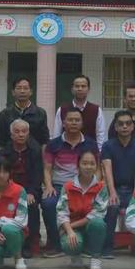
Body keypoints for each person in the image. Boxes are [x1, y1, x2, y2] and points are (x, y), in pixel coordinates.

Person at [42, 107, 98, 257]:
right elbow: (47, 169)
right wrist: (48, 186)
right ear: (64, 122)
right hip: (60, 186)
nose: (73, 123)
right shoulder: (53, 144)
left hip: (83, 186)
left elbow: (97, 168)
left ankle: (87, 244)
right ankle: (54, 244)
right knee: (48, 203)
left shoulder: (91, 144)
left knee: (95, 208)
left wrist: (96, 185)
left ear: (82, 123)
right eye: (70, 120)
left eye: (77, 120)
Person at [101, 110, 135, 258]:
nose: (124, 126)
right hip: (115, 188)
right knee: (112, 206)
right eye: (121, 124)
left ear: (133, 127)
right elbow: (107, 170)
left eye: (128, 123)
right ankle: (107, 247)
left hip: (133, 189)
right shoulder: (108, 146)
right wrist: (112, 192)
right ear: (116, 127)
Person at [57, 150, 108, 269]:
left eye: (92, 163)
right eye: (84, 163)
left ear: (97, 166)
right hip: (72, 228)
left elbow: (97, 213)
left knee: (98, 223)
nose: (88, 167)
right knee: (71, 244)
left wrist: (70, 226)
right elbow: (61, 212)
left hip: (89, 226)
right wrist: (69, 230)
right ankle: (75, 255)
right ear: (78, 165)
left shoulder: (101, 187)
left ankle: (95, 257)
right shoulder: (68, 186)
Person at [0, 119, 43, 258]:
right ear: (11, 135)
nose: (21, 134)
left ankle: (28, 243)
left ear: (28, 133)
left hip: (29, 190)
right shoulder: (4, 152)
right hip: (9, 190)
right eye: (17, 131)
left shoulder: (35, 150)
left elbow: (37, 175)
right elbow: (2, 175)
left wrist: (31, 192)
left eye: (24, 131)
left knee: (32, 205)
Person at [53, 75, 106, 150]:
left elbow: (100, 135)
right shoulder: (62, 109)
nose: (80, 89)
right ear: (72, 89)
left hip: (89, 155)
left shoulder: (96, 110)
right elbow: (56, 135)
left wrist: (98, 154)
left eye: (83, 86)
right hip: (66, 153)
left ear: (88, 89)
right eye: (77, 86)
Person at [0, 77, 49, 150]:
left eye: (25, 88)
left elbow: (44, 140)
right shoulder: (5, 114)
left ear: (31, 92)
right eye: (19, 88)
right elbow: (0, 141)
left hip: (34, 155)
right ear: (13, 92)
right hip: (10, 156)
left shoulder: (40, 113)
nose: (22, 91)